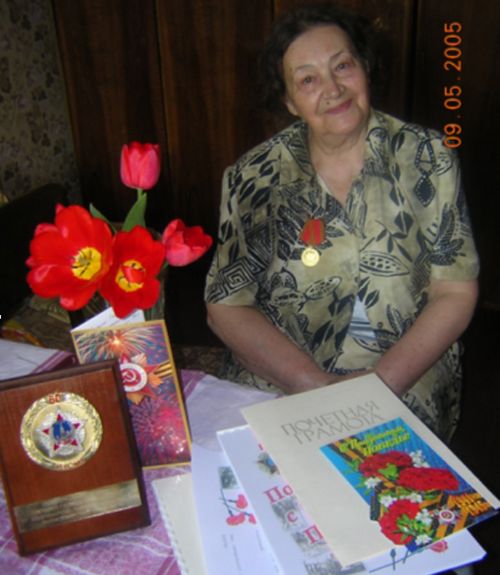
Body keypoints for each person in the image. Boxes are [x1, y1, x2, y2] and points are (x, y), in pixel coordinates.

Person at [204, 3, 479, 442]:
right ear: (290, 102)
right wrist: (314, 386)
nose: (332, 89)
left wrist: (377, 386)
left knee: (388, 490)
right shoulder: (253, 176)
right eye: (308, 80)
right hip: (285, 369)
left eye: (343, 66)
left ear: (364, 69)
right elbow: (226, 304)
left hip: (403, 369)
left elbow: (455, 292)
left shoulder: (427, 159)